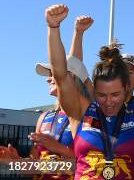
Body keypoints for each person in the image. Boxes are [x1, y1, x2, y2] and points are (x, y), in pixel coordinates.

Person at [45, 4, 134, 180]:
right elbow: (61, 75)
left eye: (115, 94)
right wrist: (53, 28)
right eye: (102, 95)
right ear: (94, 90)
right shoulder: (81, 111)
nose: (109, 101)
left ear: (127, 87)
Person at [0, 15, 94, 180]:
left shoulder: (85, 116)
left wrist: (58, 148)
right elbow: (34, 168)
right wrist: (13, 161)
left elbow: (87, 164)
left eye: (53, 74)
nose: (48, 78)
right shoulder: (44, 118)